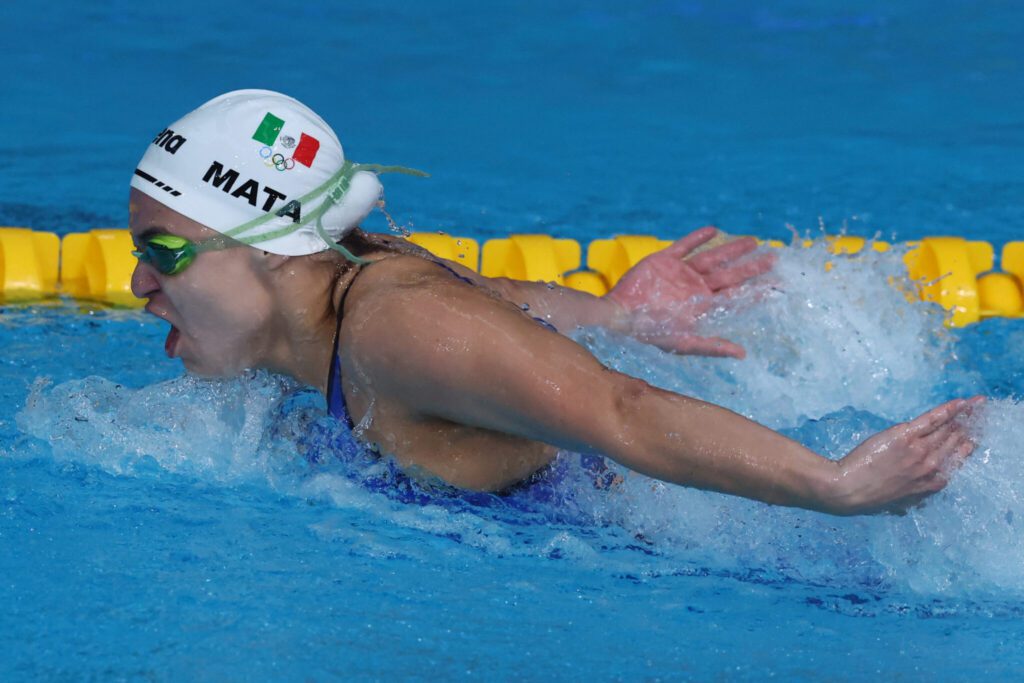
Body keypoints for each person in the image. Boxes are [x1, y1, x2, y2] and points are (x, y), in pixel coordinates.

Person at [128, 89, 980, 516]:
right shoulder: (344, 283)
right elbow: (490, 301)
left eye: (163, 253)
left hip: (669, 531)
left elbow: (623, 407)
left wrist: (837, 484)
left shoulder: (390, 326)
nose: (138, 285)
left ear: (276, 252)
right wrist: (617, 312)